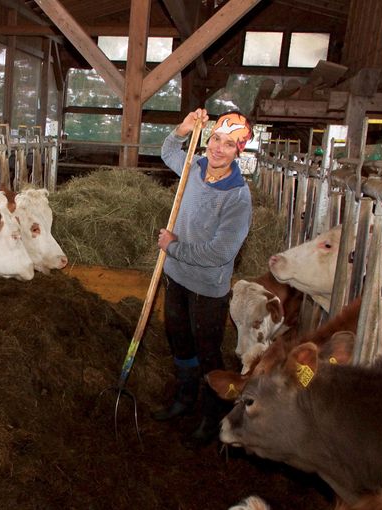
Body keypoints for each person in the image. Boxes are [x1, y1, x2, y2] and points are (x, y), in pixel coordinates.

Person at [151, 108, 254, 448]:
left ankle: (212, 416)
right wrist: (182, 129)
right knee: (178, 336)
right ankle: (184, 397)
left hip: (208, 289)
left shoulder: (237, 196)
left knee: (208, 350)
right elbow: (168, 151)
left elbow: (219, 253)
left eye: (229, 145)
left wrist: (174, 246)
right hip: (176, 277)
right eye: (216, 139)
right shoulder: (193, 169)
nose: (219, 149)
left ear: (239, 152)